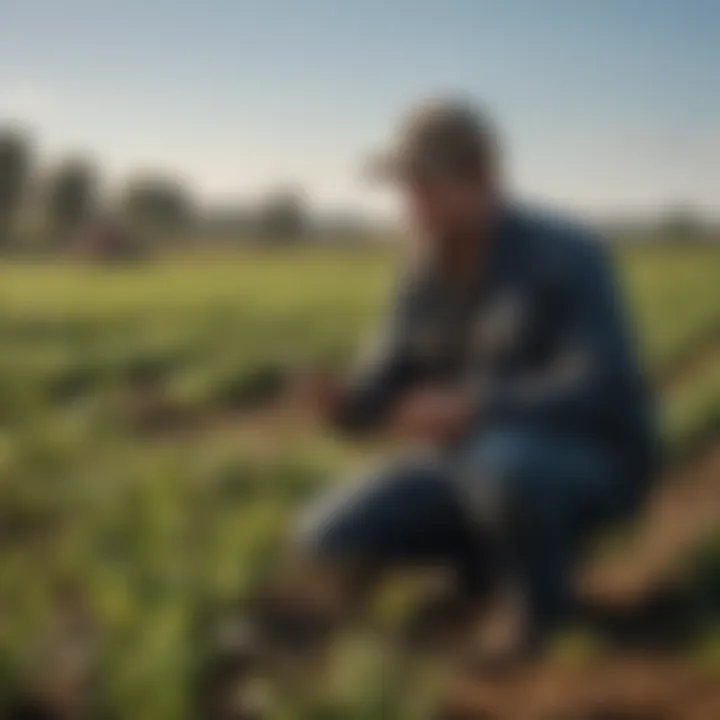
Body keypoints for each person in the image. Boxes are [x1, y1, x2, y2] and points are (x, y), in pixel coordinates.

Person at [221, 99, 659, 684]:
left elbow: (602, 384)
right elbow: (385, 383)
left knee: (508, 465)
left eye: (425, 186)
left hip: (590, 461)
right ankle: (485, 564)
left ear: (481, 179)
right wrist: (344, 404)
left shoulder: (567, 255)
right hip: (471, 464)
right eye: (405, 188)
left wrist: (477, 404)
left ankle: (539, 610)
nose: (410, 205)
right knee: (328, 530)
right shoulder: (421, 271)